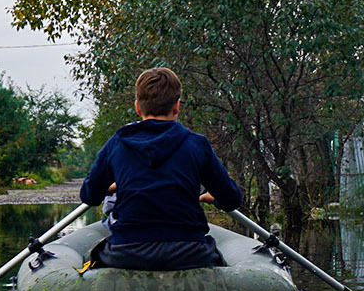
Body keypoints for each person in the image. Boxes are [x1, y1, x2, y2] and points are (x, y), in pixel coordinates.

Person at [78, 67, 244, 270]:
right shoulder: (197, 145)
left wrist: (112, 186)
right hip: (190, 254)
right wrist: (214, 197)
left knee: (91, 258)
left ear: (138, 107)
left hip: (126, 253)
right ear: (177, 106)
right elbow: (232, 200)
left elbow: (89, 196)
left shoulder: (117, 144)